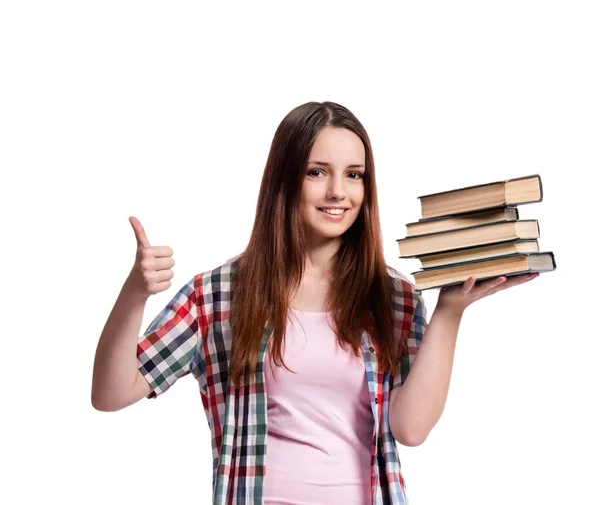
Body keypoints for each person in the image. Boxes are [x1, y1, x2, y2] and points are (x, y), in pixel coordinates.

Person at [91, 101, 538, 505]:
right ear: (284, 179)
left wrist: (449, 311)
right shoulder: (218, 294)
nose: (338, 192)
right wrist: (135, 293)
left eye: (354, 174)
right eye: (317, 172)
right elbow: (111, 394)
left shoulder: (393, 297)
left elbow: (411, 429)